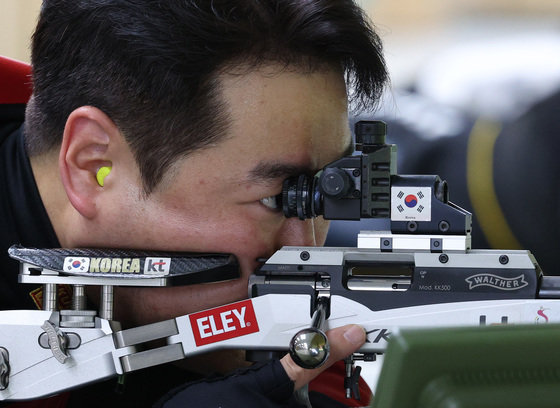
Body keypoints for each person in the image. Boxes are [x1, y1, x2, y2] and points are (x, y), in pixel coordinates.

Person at [0, 0, 388, 407]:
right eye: (278, 198)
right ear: (94, 165)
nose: (306, 249)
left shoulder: (291, 341)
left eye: (327, 193)